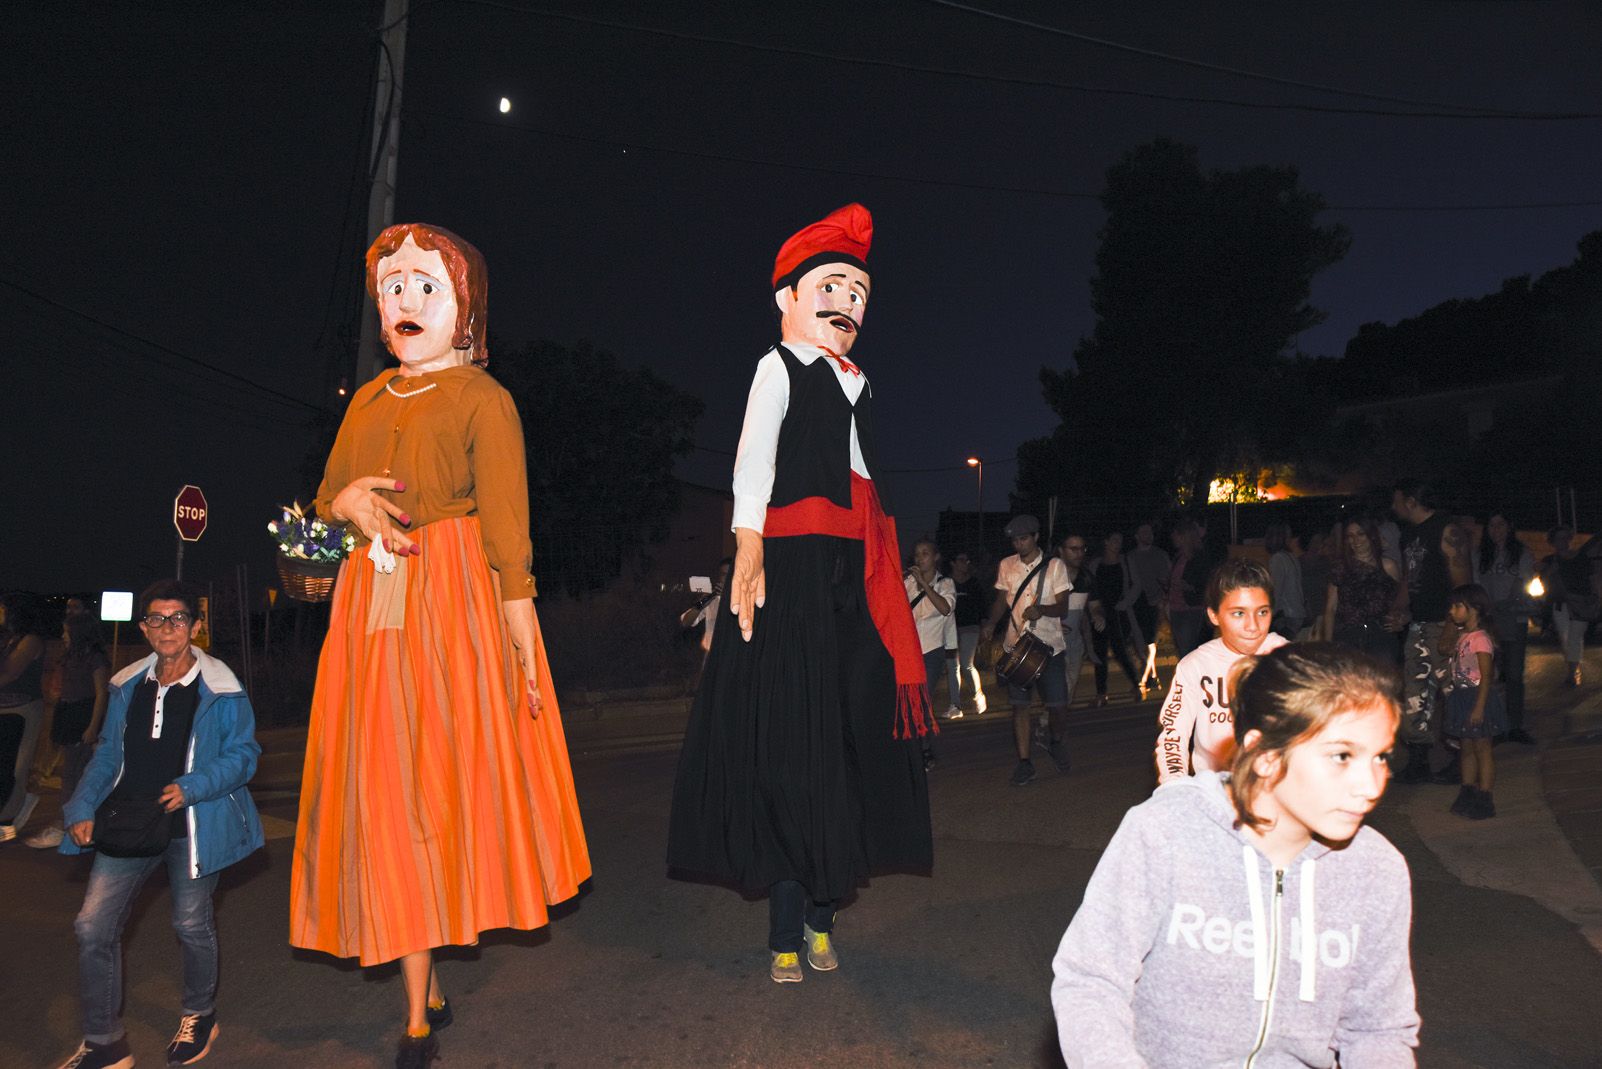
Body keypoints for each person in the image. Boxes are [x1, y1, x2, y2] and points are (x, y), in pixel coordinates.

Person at [290, 222, 591, 1066]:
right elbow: (324, 503)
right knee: (385, 792)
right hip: (368, 607)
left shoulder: (485, 401)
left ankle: (421, 1007)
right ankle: (419, 998)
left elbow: (508, 537)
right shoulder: (367, 399)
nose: (406, 302)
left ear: (465, 309)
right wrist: (343, 500)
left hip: (453, 605)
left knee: (438, 791)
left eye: (426, 285)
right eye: (393, 287)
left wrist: (521, 638)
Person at [667, 204, 934, 986]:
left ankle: (824, 915)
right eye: (832, 284)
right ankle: (787, 928)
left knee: (848, 751)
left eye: (858, 290)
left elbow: (867, 489)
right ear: (787, 296)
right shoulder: (779, 367)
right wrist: (746, 545)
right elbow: (753, 458)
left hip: (849, 587)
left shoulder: (859, 383)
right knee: (791, 754)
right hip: (788, 577)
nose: (847, 301)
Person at [1053, 643, 1418, 1067]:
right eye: (1342, 756)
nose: (1371, 785)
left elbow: (1379, 1031)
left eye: (1380, 757)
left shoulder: (1377, 869)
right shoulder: (1165, 831)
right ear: (1264, 756)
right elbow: (1092, 981)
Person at [51, 580, 265, 1069]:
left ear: (194, 625)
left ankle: (199, 1014)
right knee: (91, 926)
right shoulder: (127, 684)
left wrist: (192, 785)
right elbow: (107, 753)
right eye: (156, 618)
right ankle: (104, 1043)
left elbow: (244, 754)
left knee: (191, 923)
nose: (167, 628)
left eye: (177, 618)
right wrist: (81, 807)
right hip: (129, 820)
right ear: (143, 626)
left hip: (193, 824)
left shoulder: (222, 687)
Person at [1154, 558, 1288, 785]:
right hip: (1215, 791)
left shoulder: (1288, 659)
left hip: (1276, 791)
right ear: (1214, 616)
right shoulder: (1195, 665)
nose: (1253, 626)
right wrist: (1175, 785)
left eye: (1262, 612)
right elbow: (1173, 735)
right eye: (1239, 613)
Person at [1391, 480, 1472, 784]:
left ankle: (1462, 759)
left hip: (1444, 622)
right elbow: (1409, 579)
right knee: (1415, 691)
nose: (1393, 506)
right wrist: (1398, 610)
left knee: (1454, 692)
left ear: (1411, 501)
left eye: (1397, 500)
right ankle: (1418, 759)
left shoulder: (1447, 530)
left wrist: (1454, 627)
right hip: (1419, 624)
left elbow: (1463, 584)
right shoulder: (1408, 534)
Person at [984, 515, 1075, 786]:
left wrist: (1042, 610)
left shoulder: (1055, 566)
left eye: (1023, 538)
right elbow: (1002, 600)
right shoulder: (1006, 565)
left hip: (1050, 647)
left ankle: (1056, 741)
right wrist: (990, 623)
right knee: (1020, 707)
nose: (1019, 543)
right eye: (1014, 539)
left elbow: (1063, 607)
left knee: (1058, 706)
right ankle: (1025, 763)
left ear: (1036, 537)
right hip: (1017, 645)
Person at [26, 614, 111, 849]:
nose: (63, 636)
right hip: (68, 712)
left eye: (66, 632)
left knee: (77, 773)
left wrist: (92, 726)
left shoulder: (96, 658)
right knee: (69, 772)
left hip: (82, 715)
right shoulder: (70, 656)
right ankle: (70, 822)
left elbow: (101, 694)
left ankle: (69, 823)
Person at [1444, 584, 1504, 820]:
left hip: (1478, 696)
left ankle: (1485, 797)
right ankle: (1467, 790)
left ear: (1474, 609)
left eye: (1458, 606)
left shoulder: (1480, 639)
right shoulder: (1463, 637)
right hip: (1463, 695)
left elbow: (1486, 675)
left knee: (1482, 748)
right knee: (1466, 747)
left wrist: (1479, 706)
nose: (1452, 611)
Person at [1474, 514, 1535, 743]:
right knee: (1490, 675)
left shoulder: (1521, 553)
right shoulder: (1480, 555)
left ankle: (1515, 725)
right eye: (1491, 524)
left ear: (1510, 526)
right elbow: (1477, 586)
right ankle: (1496, 724)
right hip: (1488, 623)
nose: (1496, 529)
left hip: (1514, 620)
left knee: (1514, 675)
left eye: (1501, 524)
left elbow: (1522, 583)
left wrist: (1502, 606)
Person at [1321, 516, 1402, 664]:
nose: (1355, 540)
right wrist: (1328, 645)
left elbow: (1400, 603)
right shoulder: (1340, 568)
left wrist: (1400, 619)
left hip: (1380, 637)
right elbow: (1330, 609)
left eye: (1360, 534)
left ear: (1371, 535)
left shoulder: (1388, 566)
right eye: (1350, 536)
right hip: (1348, 636)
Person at [0, 592, 47, 843]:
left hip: (22, 709)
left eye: (4, 608)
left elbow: (10, 672)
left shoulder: (30, 641)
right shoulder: (9, 639)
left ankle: (6, 820)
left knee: (15, 767)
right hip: (4, 709)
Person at [906, 538, 956, 760]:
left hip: (931, 651)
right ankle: (913, 746)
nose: (920, 558)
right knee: (908, 700)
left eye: (925, 553)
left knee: (922, 698)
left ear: (935, 557)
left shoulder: (945, 584)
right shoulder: (906, 583)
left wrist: (924, 585)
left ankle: (924, 749)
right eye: (917, 554)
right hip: (907, 651)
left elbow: (945, 608)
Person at [1086, 531, 1143, 705]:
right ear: (1106, 542)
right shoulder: (1096, 564)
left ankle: (1136, 685)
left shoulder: (1125, 561)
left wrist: (1125, 603)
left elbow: (1136, 585)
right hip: (1100, 613)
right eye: (1114, 540)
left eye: (1120, 541)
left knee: (1120, 651)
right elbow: (1089, 586)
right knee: (1100, 653)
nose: (1117, 544)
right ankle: (1101, 693)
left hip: (1118, 613)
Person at [1541, 525, 1594, 688]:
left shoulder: (1582, 557)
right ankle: (1573, 666)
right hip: (1560, 604)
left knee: (1575, 636)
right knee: (1565, 637)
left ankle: (1572, 672)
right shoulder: (1549, 561)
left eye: (1566, 537)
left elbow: (1591, 578)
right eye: (1559, 538)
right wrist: (1550, 571)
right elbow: (1543, 582)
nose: (1563, 541)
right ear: (1553, 542)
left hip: (1580, 603)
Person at [1126, 521, 1170, 691]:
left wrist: (1163, 601)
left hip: (1155, 603)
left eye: (1150, 532)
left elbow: (1168, 579)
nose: (1148, 535)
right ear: (1137, 536)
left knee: (1150, 642)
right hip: (1136, 603)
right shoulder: (1130, 557)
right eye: (1144, 532)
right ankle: (1152, 676)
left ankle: (1145, 679)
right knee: (1139, 643)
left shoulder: (1160, 555)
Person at [1165, 519, 1213, 659]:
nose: (1173, 538)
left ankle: (1191, 679)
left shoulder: (1198, 558)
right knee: (1181, 648)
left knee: (1188, 649)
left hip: (1190, 608)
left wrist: (1189, 587)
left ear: (1183, 536)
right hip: (1175, 607)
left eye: (1176, 535)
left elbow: (1205, 583)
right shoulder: (1179, 556)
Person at [948, 551, 988, 715]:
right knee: (952, 666)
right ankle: (955, 706)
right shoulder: (946, 582)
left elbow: (982, 606)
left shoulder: (973, 583)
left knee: (966, 663)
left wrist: (986, 624)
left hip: (971, 627)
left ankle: (978, 696)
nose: (966, 563)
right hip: (950, 629)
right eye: (962, 559)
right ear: (953, 563)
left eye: (967, 560)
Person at [681, 556, 734, 656]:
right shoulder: (712, 598)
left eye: (730, 575)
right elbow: (685, 622)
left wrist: (727, 596)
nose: (726, 579)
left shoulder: (744, 599)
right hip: (711, 656)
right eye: (723, 574)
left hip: (733, 657)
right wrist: (701, 603)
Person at [1264, 523, 1307, 639]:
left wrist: (1269, 614)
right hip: (1297, 612)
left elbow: (1276, 591)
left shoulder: (1277, 559)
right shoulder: (1291, 556)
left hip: (1286, 616)